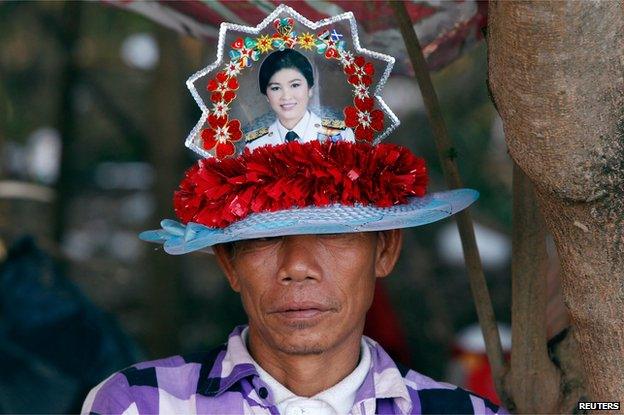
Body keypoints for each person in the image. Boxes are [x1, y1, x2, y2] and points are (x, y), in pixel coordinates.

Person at [82, 9, 506, 415]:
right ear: (229, 263)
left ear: (385, 251)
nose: (298, 266)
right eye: (266, 237)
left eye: (334, 233)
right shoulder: (140, 404)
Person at [245, 49, 355, 152]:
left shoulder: (340, 136)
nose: (286, 96)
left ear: (310, 89)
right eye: (275, 88)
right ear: (266, 96)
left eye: (295, 85)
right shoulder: (255, 145)